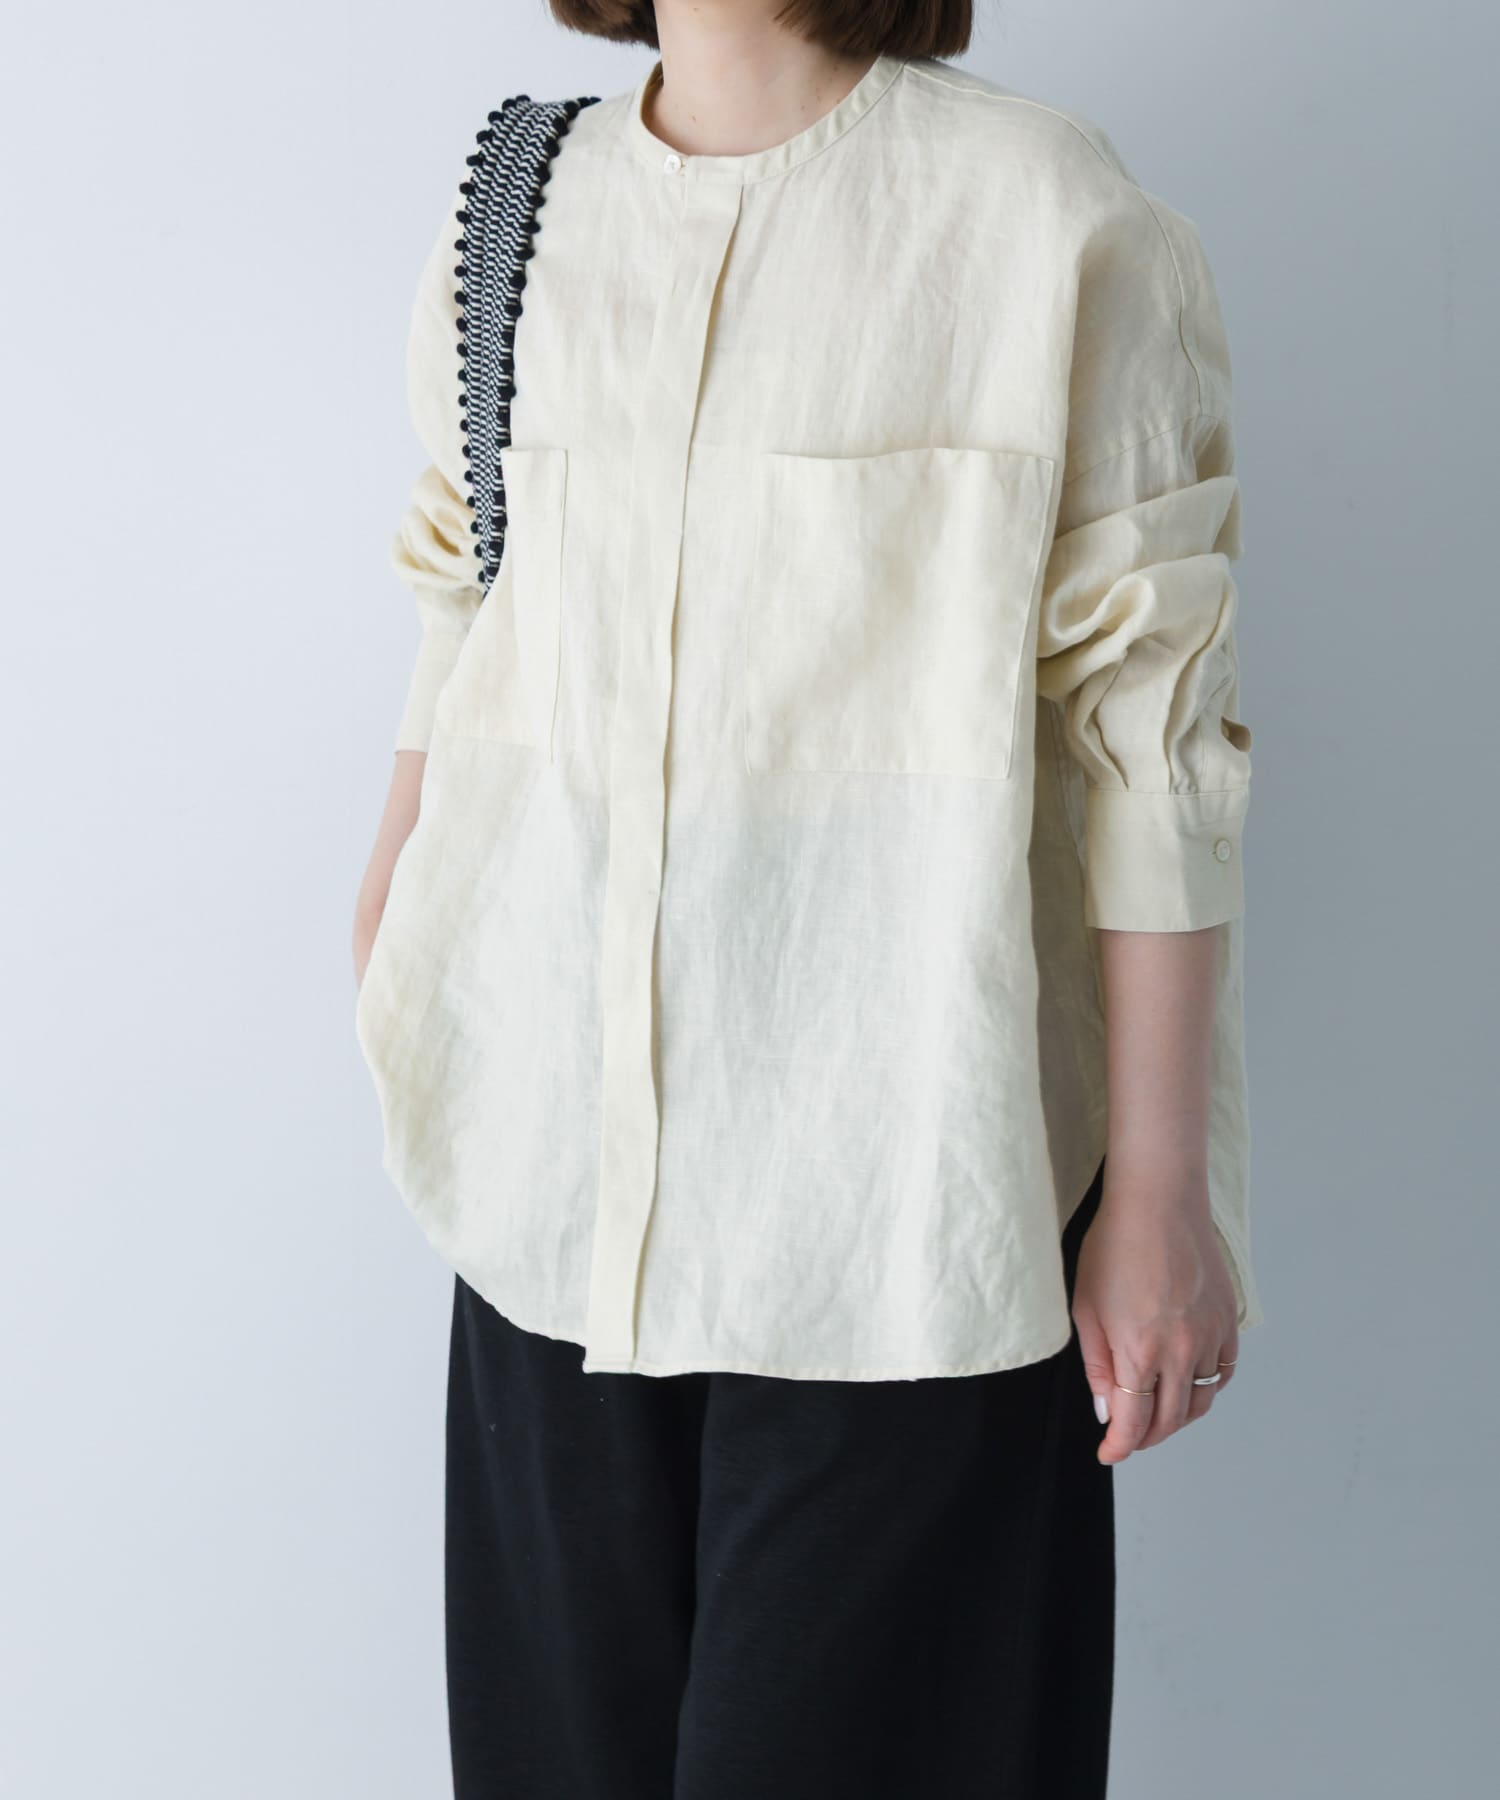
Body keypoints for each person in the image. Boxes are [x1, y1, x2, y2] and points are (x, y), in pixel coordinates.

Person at [352, 3, 1264, 1794]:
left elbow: (1152, 734)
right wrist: (389, 916)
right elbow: (468, 594)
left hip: (909, 1212)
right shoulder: (520, 208)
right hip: (553, 1201)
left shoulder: (1044, 216)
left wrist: (1161, 1192)